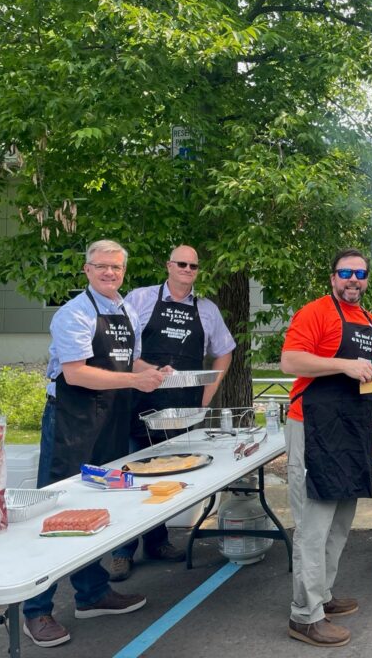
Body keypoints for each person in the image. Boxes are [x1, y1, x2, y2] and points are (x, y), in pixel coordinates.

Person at [23, 240, 171, 649]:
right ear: (87, 270)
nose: (109, 273)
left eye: (116, 267)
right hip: (72, 420)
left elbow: (130, 361)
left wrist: (155, 372)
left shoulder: (126, 311)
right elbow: (75, 373)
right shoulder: (73, 313)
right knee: (56, 511)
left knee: (100, 506)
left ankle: (91, 593)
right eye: (102, 266)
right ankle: (36, 609)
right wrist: (135, 380)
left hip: (110, 418)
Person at [279, 248, 372, 648]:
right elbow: (290, 361)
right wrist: (343, 365)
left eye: (360, 274)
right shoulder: (314, 313)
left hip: (351, 429)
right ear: (333, 278)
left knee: (340, 521)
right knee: (313, 526)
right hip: (313, 426)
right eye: (346, 273)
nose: (353, 280)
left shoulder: (371, 322)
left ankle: (322, 595)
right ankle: (304, 615)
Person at [109, 245, 237, 581]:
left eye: (193, 266)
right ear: (168, 265)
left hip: (183, 410)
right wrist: (147, 372)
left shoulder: (206, 309)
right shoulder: (140, 298)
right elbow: (120, 346)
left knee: (166, 477)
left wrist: (208, 393)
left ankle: (157, 542)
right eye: (181, 264)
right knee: (132, 478)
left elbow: (225, 351)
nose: (187, 270)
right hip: (137, 404)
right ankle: (121, 552)